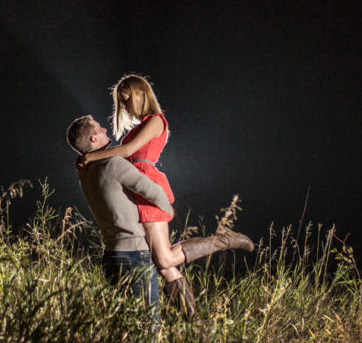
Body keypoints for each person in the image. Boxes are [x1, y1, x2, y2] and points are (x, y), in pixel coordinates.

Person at [77, 74, 254, 313]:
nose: (125, 106)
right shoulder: (139, 127)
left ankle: (226, 240)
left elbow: (128, 150)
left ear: (141, 94)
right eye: (122, 102)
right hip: (134, 187)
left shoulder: (156, 121)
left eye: (127, 100)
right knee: (162, 264)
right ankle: (193, 321)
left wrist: (90, 156)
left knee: (164, 259)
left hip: (147, 184)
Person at [66, 113, 173, 318]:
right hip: (134, 254)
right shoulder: (113, 164)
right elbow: (152, 191)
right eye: (99, 129)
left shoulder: (86, 173)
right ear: (93, 139)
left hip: (111, 256)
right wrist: (168, 209)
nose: (105, 130)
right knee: (147, 324)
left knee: (124, 323)